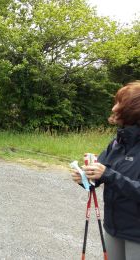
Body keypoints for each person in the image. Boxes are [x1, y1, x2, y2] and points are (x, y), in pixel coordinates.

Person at [71, 81, 140, 260]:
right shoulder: (118, 141)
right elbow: (99, 177)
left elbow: (109, 175)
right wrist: (85, 178)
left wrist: (109, 175)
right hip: (113, 227)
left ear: (133, 109)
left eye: (119, 103)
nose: (113, 107)